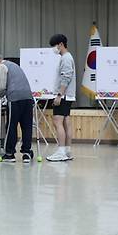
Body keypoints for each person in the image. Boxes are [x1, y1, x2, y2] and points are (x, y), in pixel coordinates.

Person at [0, 54, 35, 163]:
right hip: (28, 97)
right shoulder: (14, 65)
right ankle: (26, 153)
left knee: (11, 126)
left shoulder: (1, 66)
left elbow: (1, 87)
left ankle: (9, 154)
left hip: (15, 99)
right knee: (26, 126)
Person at [46, 34, 76, 162]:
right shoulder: (67, 57)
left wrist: (59, 95)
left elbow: (66, 77)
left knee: (57, 121)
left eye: (54, 45)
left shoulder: (66, 58)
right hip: (67, 95)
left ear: (61, 44)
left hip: (63, 95)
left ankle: (61, 151)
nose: (54, 48)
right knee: (65, 122)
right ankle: (67, 151)